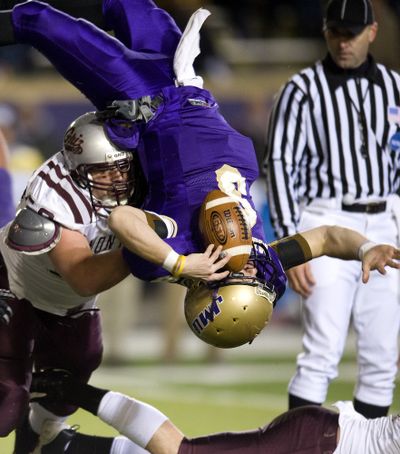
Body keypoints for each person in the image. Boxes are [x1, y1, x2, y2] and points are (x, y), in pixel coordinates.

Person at [264, 0, 400, 418]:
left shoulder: (395, 87)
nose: (344, 42)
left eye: (352, 33)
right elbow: (281, 164)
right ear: (325, 31)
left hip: (386, 220)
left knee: (381, 360)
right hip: (325, 219)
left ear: (372, 32)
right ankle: (297, 449)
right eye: (336, 32)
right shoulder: (301, 90)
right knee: (321, 351)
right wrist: (291, 246)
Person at [24, 367, 400, 453]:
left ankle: (69, 447)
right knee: (184, 453)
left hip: (329, 435)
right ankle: (67, 388)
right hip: (319, 444)